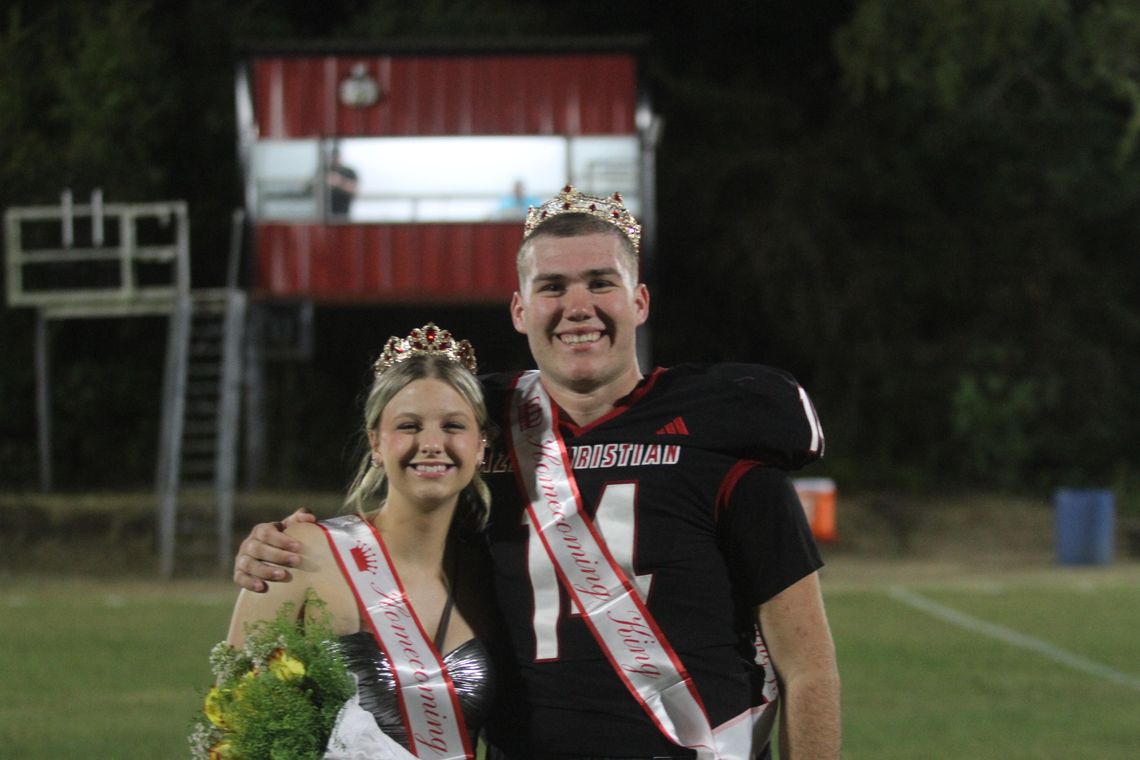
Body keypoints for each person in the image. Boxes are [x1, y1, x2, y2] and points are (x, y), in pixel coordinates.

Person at [234, 187, 841, 759]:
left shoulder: (724, 429)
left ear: (640, 300)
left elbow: (808, 667)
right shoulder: (486, 430)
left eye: (600, 283)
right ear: (521, 310)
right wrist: (288, 549)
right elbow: (396, 511)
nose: (577, 307)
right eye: (553, 287)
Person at [224, 324, 497, 757]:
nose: (431, 443)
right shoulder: (300, 553)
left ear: (481, 445)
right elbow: (232, 727)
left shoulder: (491, 574)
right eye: (408, 425)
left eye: (453, 425)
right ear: (375, 442)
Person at [323, 145, 358, 220]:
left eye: (335, 156)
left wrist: (339, 182)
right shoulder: (323, 171)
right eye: (332, 157)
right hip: (323, 215)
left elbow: (355, 190)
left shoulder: (348, 172)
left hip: (343, 215)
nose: (334, 159)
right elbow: (310, 189)